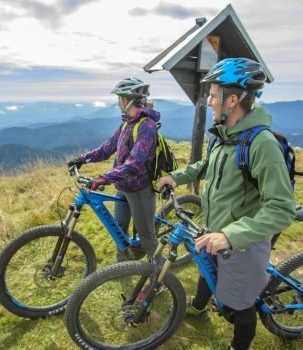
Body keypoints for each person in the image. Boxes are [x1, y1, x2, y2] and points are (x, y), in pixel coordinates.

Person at [156, 58, 296, 350]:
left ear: (231, 100)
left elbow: (282, 208)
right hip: (217, 227)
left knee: (240, 304)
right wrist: (175, 177)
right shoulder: (224, 135)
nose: (209, 101)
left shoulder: (262, 144)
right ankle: (198, 308)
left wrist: (230, 235)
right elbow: (206, 165)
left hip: (243, 240)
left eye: (213, 94)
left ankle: (239, 346)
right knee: (207, 266)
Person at [67, 77, 161, 264]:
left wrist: (104, 178)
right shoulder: (126, 123)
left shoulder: (146, 126)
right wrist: (82, 159)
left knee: (147, 238)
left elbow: (134, 164)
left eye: (120, 98)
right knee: (120, 228)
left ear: (128, 100)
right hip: (123, 187)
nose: (118, 102)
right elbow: (107, 148)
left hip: (140, 190)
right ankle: (122, 266)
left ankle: (159, 279)